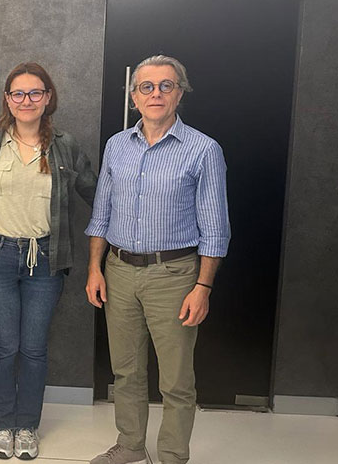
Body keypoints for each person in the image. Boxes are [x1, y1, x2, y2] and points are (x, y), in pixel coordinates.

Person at [85, 55, 230, 464]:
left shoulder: (203, 150)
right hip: (118, 272)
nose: (156, 94)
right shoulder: (116, 146)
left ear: (180, 93)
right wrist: (95, 268)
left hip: (174, 276)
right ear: (134, 97)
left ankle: (172, 455)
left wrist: (203, 287)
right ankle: (131, 445)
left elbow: (216, 229)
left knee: (176, 379)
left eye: (166, 86)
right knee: (126, 371)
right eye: (146, 87)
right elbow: (101, 215)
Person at [0, 62, 97, 460]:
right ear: (7, 100)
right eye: (18, 93)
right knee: (5, 346)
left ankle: (27, 427)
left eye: (35, 92)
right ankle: (2, 425)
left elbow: (96, 194)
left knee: (34, 348)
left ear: (48, 97)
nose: (26, 100)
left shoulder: (65, 146)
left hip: (45, 260)